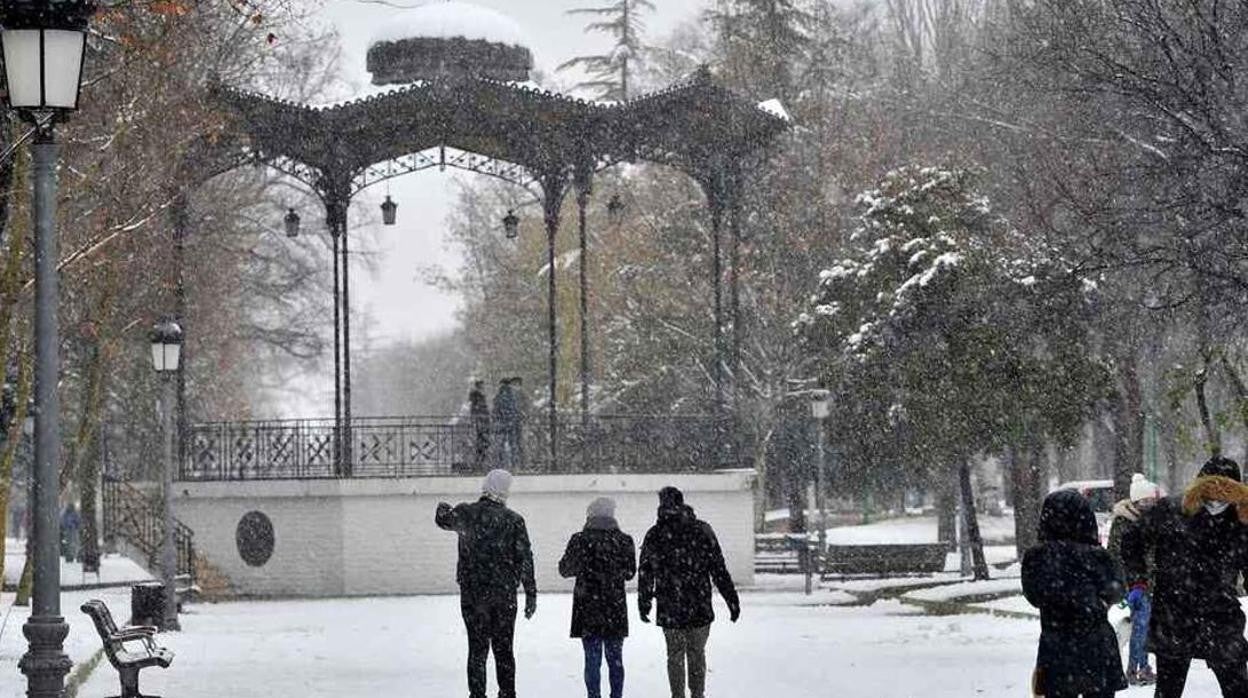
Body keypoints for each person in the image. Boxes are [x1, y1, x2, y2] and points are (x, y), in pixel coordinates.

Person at [1122, 456, 1248, 697]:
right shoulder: (1171, 510)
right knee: (1169, 690)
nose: (1218, 495)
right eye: (1212, 487)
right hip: (1175, 615)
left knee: (1237, 688)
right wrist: (1137, 580)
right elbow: (1133, 539)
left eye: (1227, 489)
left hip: (1218, 616)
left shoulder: (1240, 521)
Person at [435, 469, 537, 698]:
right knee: (504, 650)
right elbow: (525, 558)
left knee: (477, 650)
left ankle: (477, 694)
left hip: (473, 594)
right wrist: (530, 592)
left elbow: (442, 520)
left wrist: (442, 506)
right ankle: (507, 693)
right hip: (504, 596)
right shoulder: (514, 520)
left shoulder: (465, 513)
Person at [1022, 489, 1127, 698]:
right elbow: (1116, 591)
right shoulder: (1098, 556)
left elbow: (1034, 596)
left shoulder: (1037, 557)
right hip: (1097, 646)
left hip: (1056, 645)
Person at [638, 486, 740, 698]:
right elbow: (718, 569)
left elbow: (646, 572)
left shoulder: (655, 534)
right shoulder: (702, 530)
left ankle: (677, 695)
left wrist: (645, 601)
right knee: (697, 653)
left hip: (669, 605)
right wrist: (731, 599)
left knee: (674, 655)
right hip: (699, 603)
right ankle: (698, 694)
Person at [559, 497, 636, 698]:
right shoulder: (624, 540)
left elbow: (565, 569)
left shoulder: (579, 540)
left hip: (587, 608)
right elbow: (629, 572)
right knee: (615, 660)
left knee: (592, 661)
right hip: (614, 607)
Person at [1106, 473, 1160, 686]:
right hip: (1135, 584)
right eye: (1145, 501)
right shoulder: (1124, 523)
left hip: (1148, 582)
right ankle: (1135, 668)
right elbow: (1115, 555)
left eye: (1151, 501)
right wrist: (1122, 583)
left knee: (1143, 627)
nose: (1149, 504)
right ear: (1136, 501)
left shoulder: (1149, 520)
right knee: (1141, 627)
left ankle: (1140, 667)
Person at [494, 379, 519, 469]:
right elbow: (514, 409)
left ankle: (500, 464)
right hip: (511, 422)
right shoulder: (512, 395)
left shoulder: (499, 395)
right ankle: (513, 464)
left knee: (500, 444)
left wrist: (497, 418)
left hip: (501, 423)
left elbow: (496, 409)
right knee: (513, 444)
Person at [469, 380, 491, 470]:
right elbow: (478, 409)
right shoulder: (478, 396)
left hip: (480, 423)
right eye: (482, 385)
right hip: (481, 423)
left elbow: (473, 409)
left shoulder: (476, 396)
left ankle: (479, 462)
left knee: (481, 443)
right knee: (482, 443)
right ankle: (480, 462)